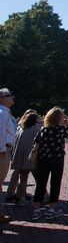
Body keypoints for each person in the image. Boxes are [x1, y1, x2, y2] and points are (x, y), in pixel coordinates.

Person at [31, 107, 68, 220]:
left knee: (40, 184)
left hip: (43, 158)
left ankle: (36, 210)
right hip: (57, 159)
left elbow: (36, 141)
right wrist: (66, 124)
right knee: (55, 183)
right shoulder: (60, 129)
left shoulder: (43, 129)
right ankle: (51, 209)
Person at [6, 109, 39, 206]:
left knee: (22, 177)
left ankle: (19, 196)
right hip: (28, 158)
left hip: (18, 157)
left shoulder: (20, 128)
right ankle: (22, 198)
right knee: (28, 177)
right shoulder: (35, 130)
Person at [0, 88, 16, 224]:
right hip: (2, 151)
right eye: (8, 95)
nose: (12, 97)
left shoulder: (4, 112)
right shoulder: (2, 113)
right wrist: (1, 149)